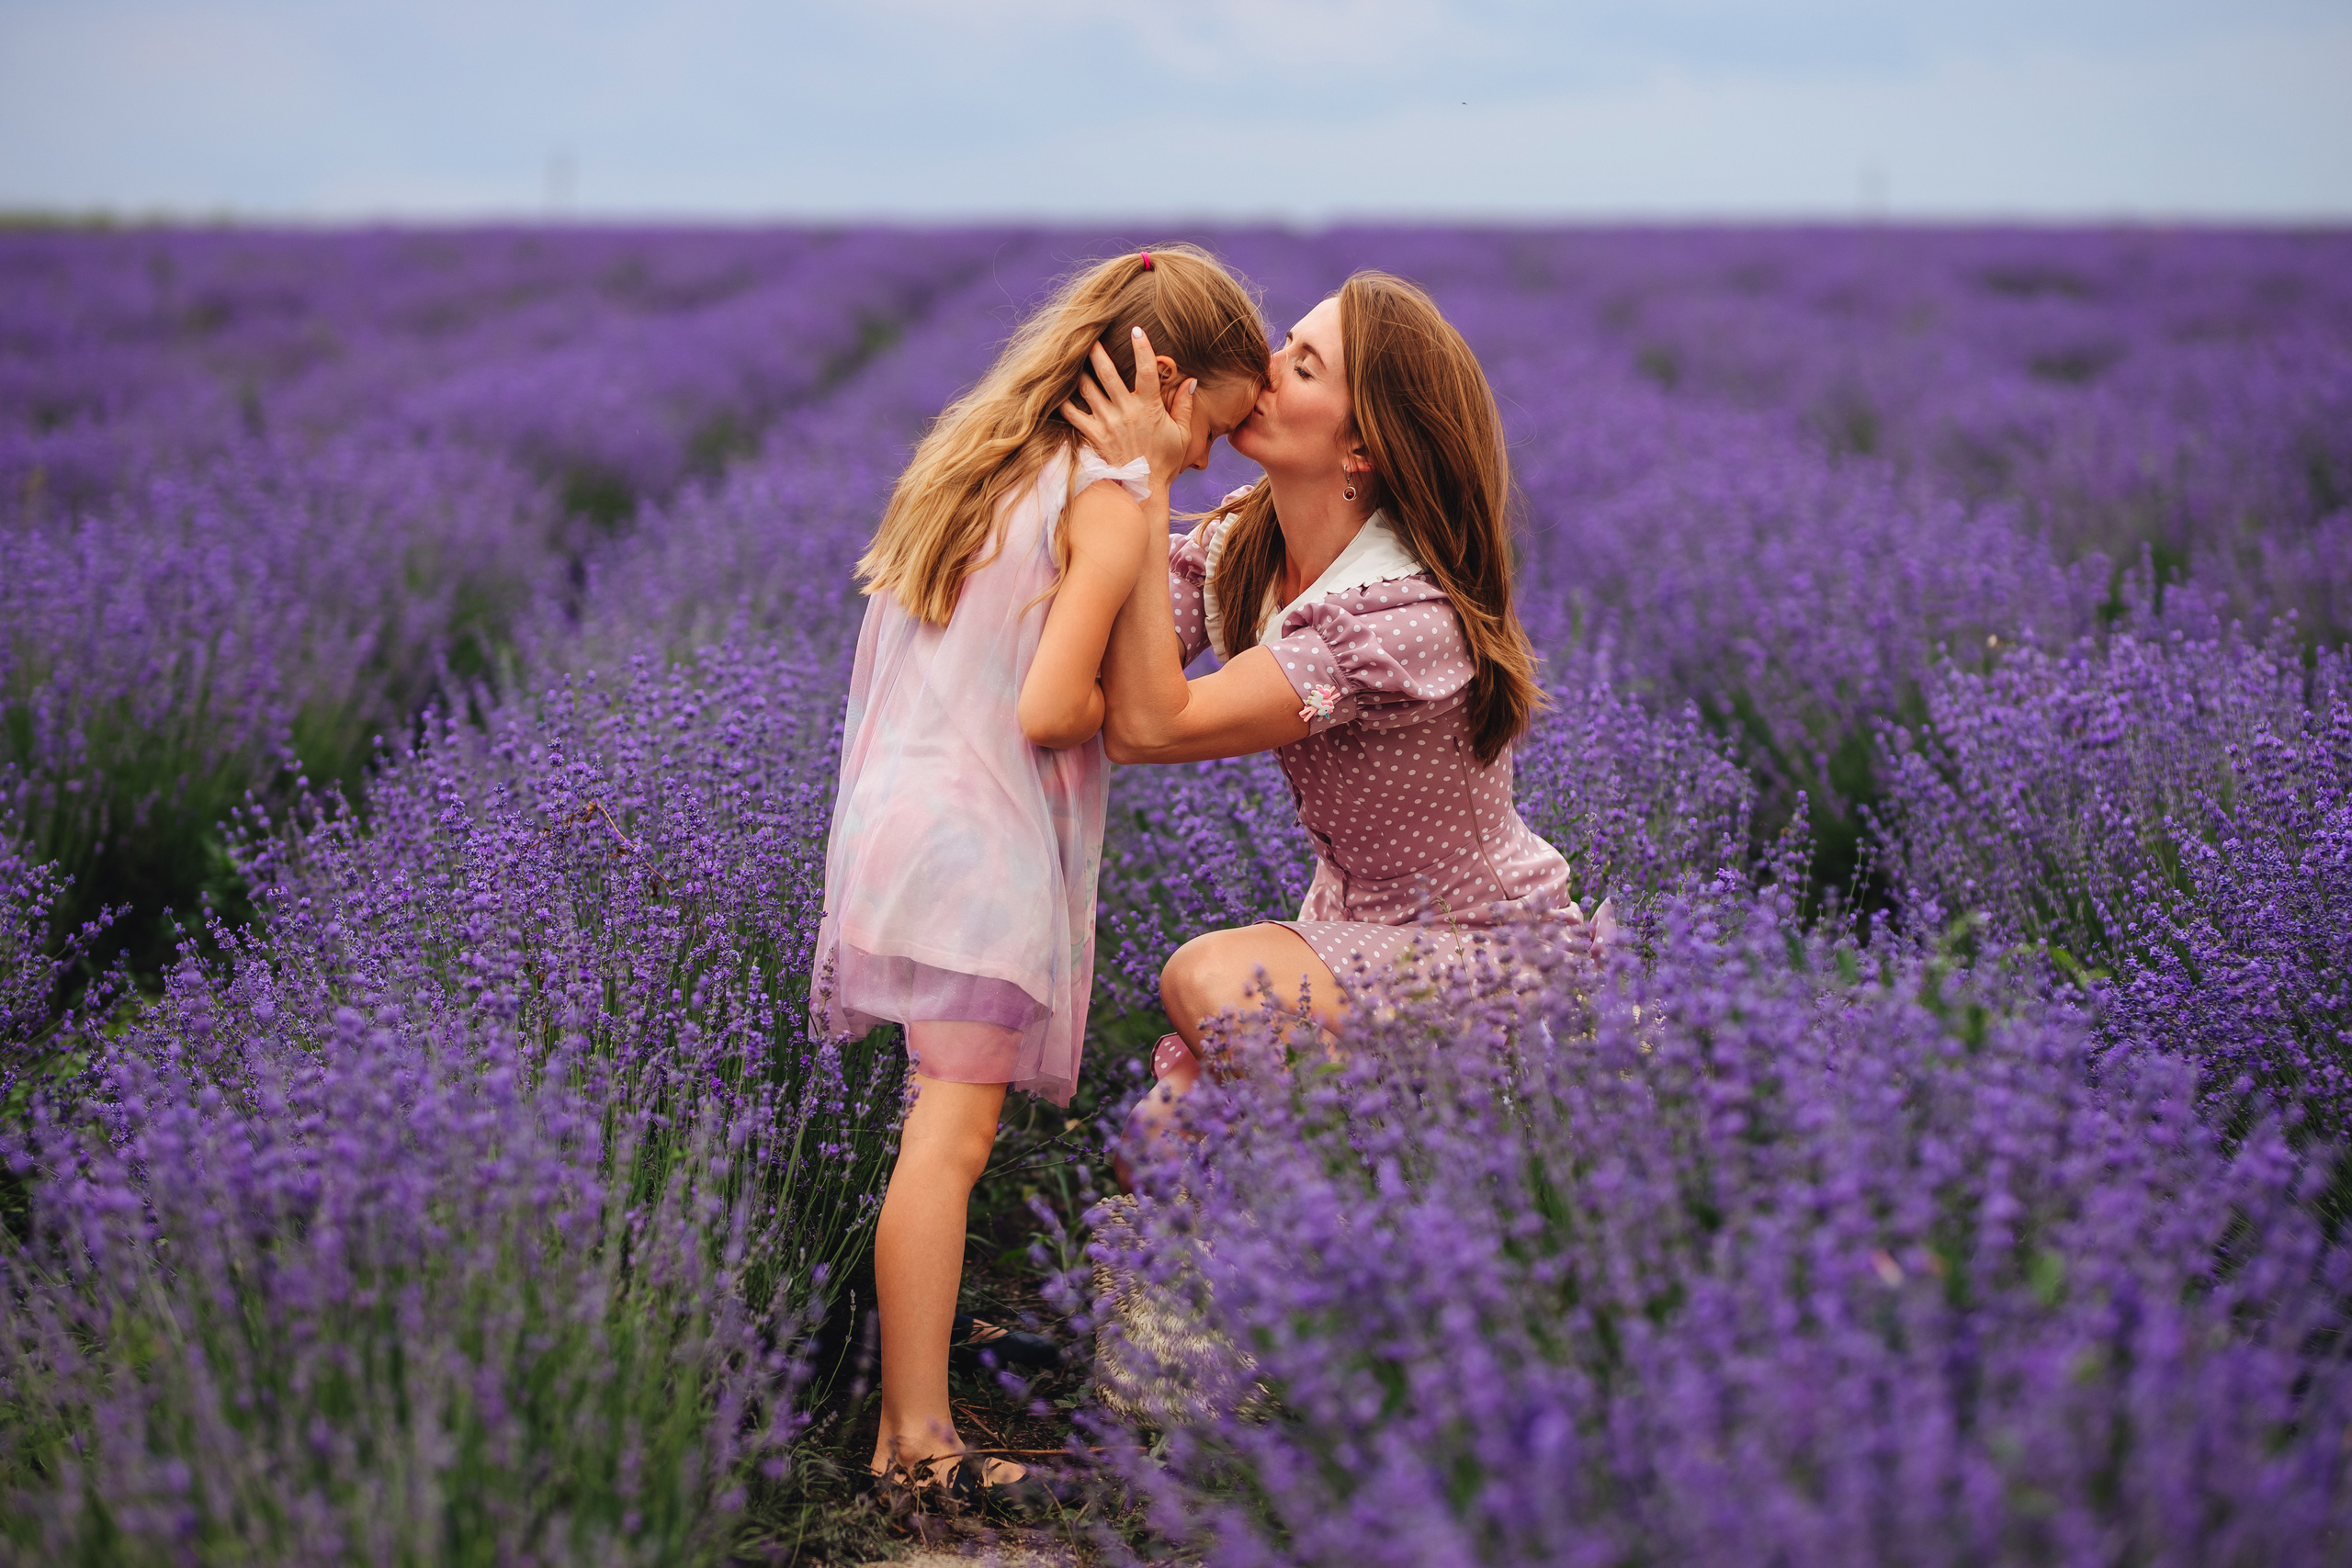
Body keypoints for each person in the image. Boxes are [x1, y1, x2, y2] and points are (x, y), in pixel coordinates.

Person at [810, 245, 1267, 1496]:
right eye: (1218, 424)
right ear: (1165, 381)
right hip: (982, 844)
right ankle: (916, 1441)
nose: (1217, 456)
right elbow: (1053, 705)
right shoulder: (1110, 500)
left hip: (904, 821)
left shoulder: (999, 458)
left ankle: (913, 1416)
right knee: (949, 1142)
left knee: (935, 1131)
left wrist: (1153, 507)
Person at [1068, 269, 1610, 1110]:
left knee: (1206, 974)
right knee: (1158, 1147)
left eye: (1306, 366)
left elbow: (1149, 726)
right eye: (1288, 342)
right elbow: (1101, 653)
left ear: (1362, 448)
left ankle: (1379, 1181)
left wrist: (1145, 483)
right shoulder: (1245, 543)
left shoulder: (1396, 614)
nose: (1268, 365)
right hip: (1348, 940)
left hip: (1484, 958)